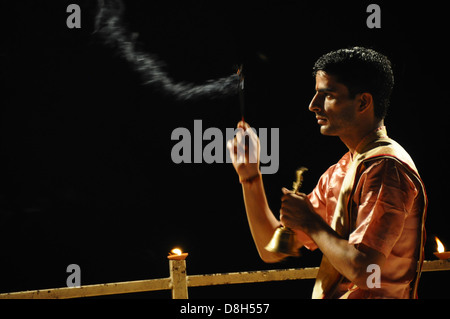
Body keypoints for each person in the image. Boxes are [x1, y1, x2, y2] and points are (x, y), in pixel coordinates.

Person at [227, 47, 427, 299]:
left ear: (363, 102)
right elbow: (271, 250)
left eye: (327, 95)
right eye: (315, 95)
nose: (313, 106)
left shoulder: (386, 168)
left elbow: (368, 272)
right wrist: (250, 177)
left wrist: (311, 221)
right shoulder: (341, 171)